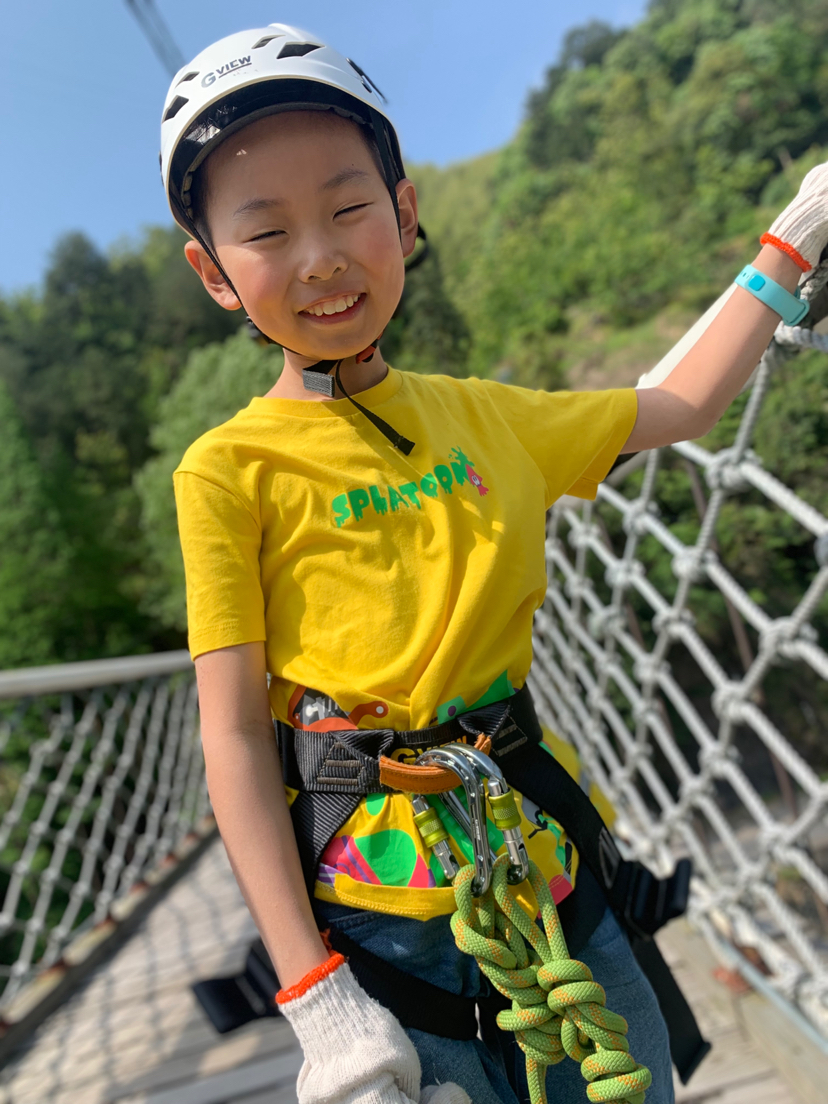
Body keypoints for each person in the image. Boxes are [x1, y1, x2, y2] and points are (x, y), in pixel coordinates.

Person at [162, 23, 828, 1104]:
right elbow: (232, 734)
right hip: (377, 919)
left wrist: (792, 245)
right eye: (267, 231)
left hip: (544, 864)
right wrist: (319, 1005)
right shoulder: (229, 471)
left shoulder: (488, 418)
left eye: (348, 209)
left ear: (405, 214)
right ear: (213, 272)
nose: (320, 257)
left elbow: (679, 404)